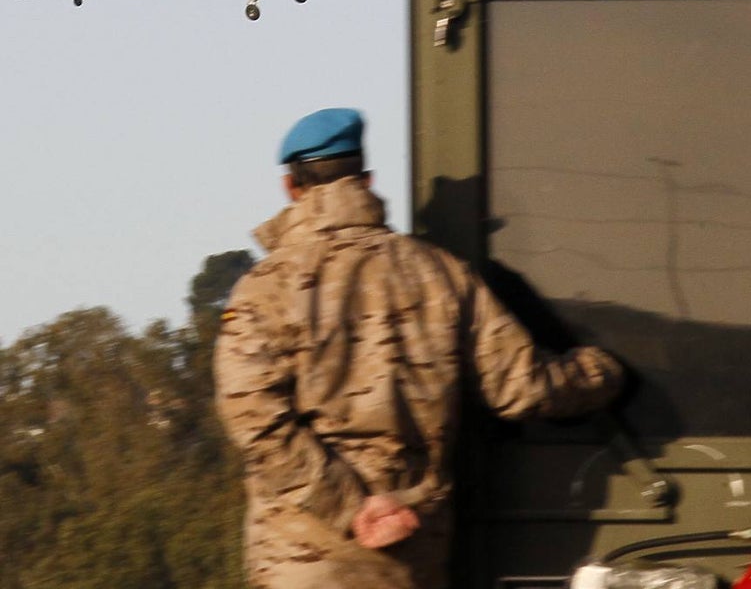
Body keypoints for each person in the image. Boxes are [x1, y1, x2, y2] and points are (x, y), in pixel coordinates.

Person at [214, 108, 624, 589]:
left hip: (299, 563)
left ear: (291, 187)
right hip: (410, 558)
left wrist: (349, 507)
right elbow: (521, 388)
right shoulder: (442, 276)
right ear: (366, 180)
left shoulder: (264, 290)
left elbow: (255, 422)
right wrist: (605, 371)